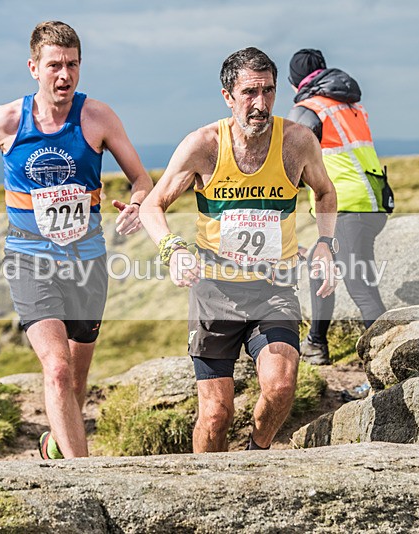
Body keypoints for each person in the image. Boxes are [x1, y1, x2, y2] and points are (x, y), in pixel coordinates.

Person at [0, 21, 152, 459]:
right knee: (58, 369)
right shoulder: (7, 119)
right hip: (30, 259)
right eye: (54, 66)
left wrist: (138, 203)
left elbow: (141, 179)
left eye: (72, 65)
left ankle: (55, 444)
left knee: (77, 379)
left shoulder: (98, 117)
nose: (63, 76)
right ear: (33, 67)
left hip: (87, 262)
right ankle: (82, 477)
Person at [140, 47, 337, 452]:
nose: (260, 104)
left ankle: (257, 451)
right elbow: (152, 205)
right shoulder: (204, 146)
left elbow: (325, 193)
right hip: (215, 294)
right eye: (249, 92)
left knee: (281, 387)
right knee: (215, 416)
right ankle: (202, 488)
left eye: (268, 91)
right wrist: (173, 248)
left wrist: (324, 244)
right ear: (228, 96)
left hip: (273, 290)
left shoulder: (298, 142)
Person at [287, 49, 393, 366]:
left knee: (360, 286)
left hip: (348, 208)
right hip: (372, 200)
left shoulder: (307, 110)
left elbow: (287, 164)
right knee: (321, 266)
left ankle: (388, 361)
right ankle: (316, 343)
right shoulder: (349, 104)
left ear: (295, 83)